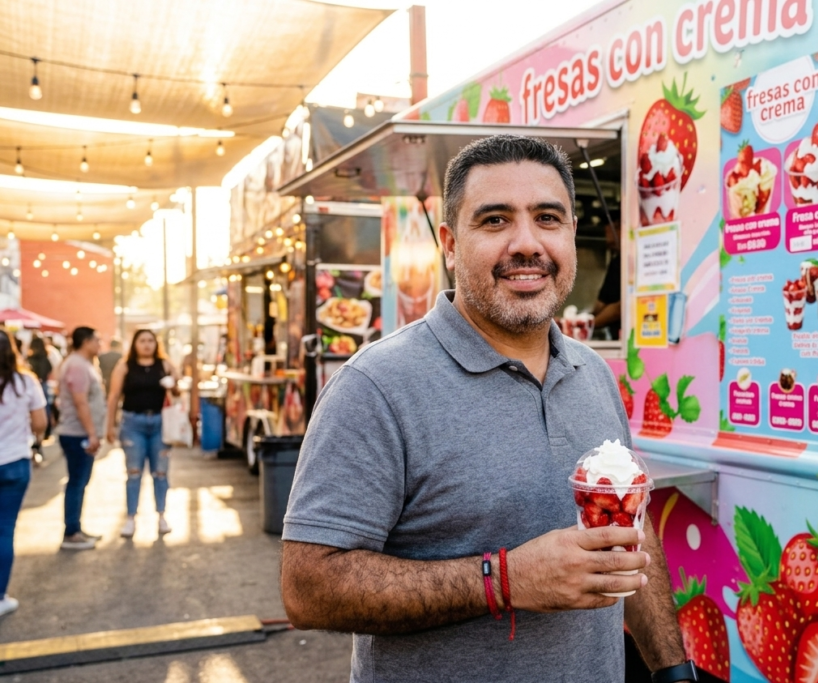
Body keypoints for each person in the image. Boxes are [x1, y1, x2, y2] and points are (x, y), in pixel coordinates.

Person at [280, 136, 691, 682]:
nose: (527, 243)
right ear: (449, 244)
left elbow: (630, 534)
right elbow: (308, 588)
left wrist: (673, 670)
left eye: (548, 218)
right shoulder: (376, 387)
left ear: (570, 233)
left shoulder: (592, 374)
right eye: (495, 220)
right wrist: (506, 580)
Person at [104, 329, 179, 538]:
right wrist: (109, 426)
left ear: (157, 344)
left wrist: (173, 384)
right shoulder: (125, 366)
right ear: (134, 344)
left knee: (161, 472)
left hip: (159, 423)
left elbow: (179, 390)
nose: (147, 345)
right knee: (134, 472)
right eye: (142, 341)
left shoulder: (165, 365)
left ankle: (161, 515)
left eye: (150, 341)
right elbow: (113, 397)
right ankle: (130, 518)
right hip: (132, 423)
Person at [0, 330, 48, 617]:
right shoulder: (25, 382)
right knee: (4, 529)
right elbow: (41, 422)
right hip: (16, 462)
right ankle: (0, 597)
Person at [54, 327, 106, 550]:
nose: (99, 344)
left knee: (80, 482)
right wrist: (91, 433)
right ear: (85, 342)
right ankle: (72, 532)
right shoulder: (76, 365)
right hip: (77, 433)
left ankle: (75, 527)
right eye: (96, 340)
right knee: (76, 482)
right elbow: (80, 401)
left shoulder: (83, 364)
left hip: (80, 432)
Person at [592, 221, 622, 340]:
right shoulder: (617, 262)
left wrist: (588, 325)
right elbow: (601, 303)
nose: (606, 236)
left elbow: (620, 308)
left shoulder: (624, 263)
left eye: (607, 230)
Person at [26, 336, 53, 460]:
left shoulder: (29, 359)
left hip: (32, 387)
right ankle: (39, 442)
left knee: (30, 416)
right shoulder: (46, 359)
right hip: (43, 387)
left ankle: (33, 442)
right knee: (42, 414)